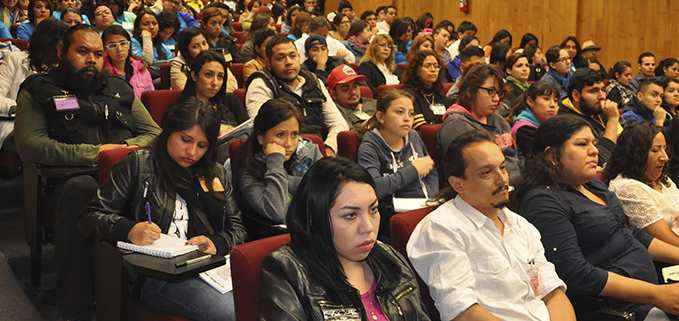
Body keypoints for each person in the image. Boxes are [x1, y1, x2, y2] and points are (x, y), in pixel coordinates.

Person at [14, 24, 161, 320]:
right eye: (83, 51)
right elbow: (31, 145)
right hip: (67, 183)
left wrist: (120, 152)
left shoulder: (119, 87)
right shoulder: (38, 89)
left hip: (124, 178)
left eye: (97, 53)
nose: (92, 59)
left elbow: (154, 134)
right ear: (61, 51)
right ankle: (75, 309)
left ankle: (149, 294)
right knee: (83, 190)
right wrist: (97, 154)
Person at [79, 97, 245, 321]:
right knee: (235, 313)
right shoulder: (138, 164)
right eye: (185, 140)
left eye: (202, 145)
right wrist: (127, 229)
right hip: (157, 275)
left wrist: (217, 243)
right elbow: (89, 217)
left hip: (210, 267)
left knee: (262, 302)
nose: (192, 152)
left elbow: (238, 228)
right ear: (169, 132)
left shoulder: (214, 172)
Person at [516, 115, 679, 320]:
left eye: (593, 142)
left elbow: (633, 234)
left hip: (651, 291)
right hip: (618, 309)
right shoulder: (543, 202)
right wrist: (657, 295)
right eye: (582, 144)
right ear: (552, 156)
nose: (594, 150)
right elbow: (577, 274)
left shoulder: (592, 184)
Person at [408, 129, 575, 321]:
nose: (502, 179)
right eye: (487, 173)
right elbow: (463, 312)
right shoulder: (442, 229)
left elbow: (553, 293)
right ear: (458, 184)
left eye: (503, 168)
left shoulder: (520, 225)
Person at [259, 156, 432, 321]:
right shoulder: (286, 270)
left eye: (373, 210)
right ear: (316, 218)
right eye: (351, 215)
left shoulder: (389, 258)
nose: (368, 227)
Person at [245, 36, 348, 155]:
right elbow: (262, 128)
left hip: (320, 152)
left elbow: (338, 124)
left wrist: (328, 149)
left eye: (292, 56)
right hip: (284, 153)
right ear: (268, 63)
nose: (288, 62)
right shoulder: (262, 83)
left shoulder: (314, 82)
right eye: (281, 58)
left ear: (299, 58)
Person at [357, 89, 438, 239]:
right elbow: (373, 189)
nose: (407, 118)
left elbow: (431, 170)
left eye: (411, 113)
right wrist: (412, 171)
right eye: (399, 112)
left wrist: (432, 198)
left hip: (425, 207)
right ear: (381, 117)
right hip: (392, 216)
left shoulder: (413, 136)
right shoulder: (370, 145)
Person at [233, 98, 323, 224]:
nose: (289, 144)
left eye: (294, 134)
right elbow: (277, 211)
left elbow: (329, 193)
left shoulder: (309, 151)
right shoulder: (249, 171)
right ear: (261, 138)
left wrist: (289, 181)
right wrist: (275, 161)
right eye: (280, 135)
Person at [438, 64, 521, 185]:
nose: (496, 98)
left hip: (514, 188)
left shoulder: (500, 121)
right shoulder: (456, 125)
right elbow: (472, 172)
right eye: (490, 91)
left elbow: (516, 157)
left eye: (499, 93)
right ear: (470, 91)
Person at [604, 121, 679, 248]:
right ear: (635, 154)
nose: (665, 157)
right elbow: (667, 240)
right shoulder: (627, 188)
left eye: (664, 149)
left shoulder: (663, 180)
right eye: (655, 150)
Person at [0, 18, 66, 151]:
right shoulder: (16, 60)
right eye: (61, 45)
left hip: (54, 125)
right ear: (48, 42)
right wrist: (20, 109)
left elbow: (68, 101)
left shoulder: (63, 68)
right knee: (38, 145)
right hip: (15, 123)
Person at [180, 50, 247, 161]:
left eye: (220, 77)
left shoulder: (231, 101)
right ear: (194, 75)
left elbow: (248, 129)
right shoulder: (182, 110)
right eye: (209, 75)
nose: (215, 83)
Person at [559, 68, 622, 166]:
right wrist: (613, 119)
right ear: (576, 95)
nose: (602, 96)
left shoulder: (599, 109)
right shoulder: (566, 122)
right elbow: (601, 159)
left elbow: (627, 139)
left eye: (603, 90)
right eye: (594, 91)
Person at [508, 80, 560, 158]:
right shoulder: (523, 129)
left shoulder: (547, 122)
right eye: (546, 99)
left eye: (555, 101)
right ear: (530, 101)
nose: (553, 105)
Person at [403, 50, 452, 130]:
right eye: (427, 66)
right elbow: (420, 127)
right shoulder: (409, 95)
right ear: (417, 71)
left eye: (436, 66)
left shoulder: (440, 95)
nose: (433, 70)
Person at [103, 25, 154, 100]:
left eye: (123, 43)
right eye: (113, 45)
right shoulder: (101, 73)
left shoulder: (141, 68)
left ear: (129, 45)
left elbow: (151, 98)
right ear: (105, 49)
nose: (119, 49)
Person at [328, 64, 376, 130]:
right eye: (345, 89)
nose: (353, 92)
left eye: (355, 86)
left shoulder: (375, 103)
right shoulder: (335, 113)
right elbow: (349, 137)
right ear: (333, 94)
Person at [356, 34, 401, 98]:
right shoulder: (366, 66)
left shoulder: (394, 68)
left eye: (389, 47)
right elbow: (368, 89)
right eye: (382, 45)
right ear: (374, 47)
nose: (386, 49)